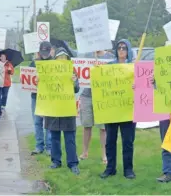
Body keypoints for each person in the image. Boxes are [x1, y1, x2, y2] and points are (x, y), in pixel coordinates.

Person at [100, 39, 136, 180]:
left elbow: (143, 87)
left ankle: (128, 169)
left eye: (124, 47)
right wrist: (98, 71)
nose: (121, 50)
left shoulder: (133, 67)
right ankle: (110, 168)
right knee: (110, 141)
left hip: (128, 110)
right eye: (119, 47)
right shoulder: (109, 66)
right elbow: (102, 83)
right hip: (112, 110)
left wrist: (136, 86)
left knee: (127, 141)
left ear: (128, 50)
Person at [44, 47, 80, 175]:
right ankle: (56, 161)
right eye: (60, 57)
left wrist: (74, 82)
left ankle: (73, 163)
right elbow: (44, 88)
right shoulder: (49, 71)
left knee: (70, 137)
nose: (62, 59)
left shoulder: (72, 71)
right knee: (54, 137)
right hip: (54, 109)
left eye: (64, 57)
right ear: (56, 59)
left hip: (67, 108)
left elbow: (76, 89)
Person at [79, 50, 114, 164]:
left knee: (103, 128)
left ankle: (104, 154)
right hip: (87, 95)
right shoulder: (87, 56)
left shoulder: (110, 57)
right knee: (87, 125)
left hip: (102, 96)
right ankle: (85, 152)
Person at [29, 41, 52, 155]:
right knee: (37, 122)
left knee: (48, 123)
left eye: (46, 52)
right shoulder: (34, 63)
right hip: (36, 96)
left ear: (50, 50)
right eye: (42, 52)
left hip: (48, 98)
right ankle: (39, 146)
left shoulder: (54, 63)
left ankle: (49, 147)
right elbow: (27, 78)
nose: (44, 54)